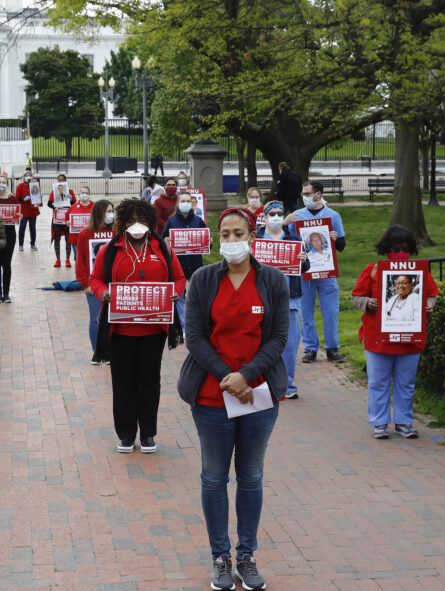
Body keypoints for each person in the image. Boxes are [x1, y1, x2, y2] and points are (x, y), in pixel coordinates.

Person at [178, 207, 288, 591]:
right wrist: (229, 377)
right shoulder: (204, 279)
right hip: (211, 396)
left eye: (238, 233)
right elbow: (194, 337)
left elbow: (277, 337)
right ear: (217, 238)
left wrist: (248, 375)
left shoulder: (273, 279)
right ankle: (220, 558)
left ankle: (246, 555)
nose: (231, 240)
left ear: (252, 236)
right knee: (213, 477)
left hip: (258, 394)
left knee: (251, 477)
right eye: (224, 234)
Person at [89, 199, 185, 454]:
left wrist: (175, 293)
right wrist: (103, 293)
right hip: (120, 329)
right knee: (123, 382)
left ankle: (148, 434)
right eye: (130, 221)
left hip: (154, 329)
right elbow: (95, 279)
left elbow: (178, 278)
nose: (136, 226)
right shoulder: (109, 250)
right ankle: (126, 434)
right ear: (122, 223)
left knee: (149, 381)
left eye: (141, 221)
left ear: (151, 222)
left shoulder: (162, 249)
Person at [351, 226, 439, 439]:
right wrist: (368, 303)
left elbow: (432, 295)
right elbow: (356, 297)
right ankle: (379, 423)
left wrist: (429, 304)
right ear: (386, 248)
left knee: (405, 383)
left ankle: (403, 422)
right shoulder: (372, 270)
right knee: (378, 382)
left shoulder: (420, 272)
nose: (400, 251)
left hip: (409, 340)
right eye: (395, 247)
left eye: (405, 247)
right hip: (378, 340)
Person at [284, 180, 346, 363]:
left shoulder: (333, 216)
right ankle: (310, 348)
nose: (304, 197)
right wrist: (285, 225)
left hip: (326, 273)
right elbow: (287, 242)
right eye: (303, 194)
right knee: (306, 313)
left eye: (308, 194)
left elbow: (342, 246)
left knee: (331, 313)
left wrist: (335, 239)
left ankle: (332, 348)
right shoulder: (296, 216)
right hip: (305, 274)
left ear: (318, 194)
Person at [256, 200, 309, 399]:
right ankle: (263, 383)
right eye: (272, 214)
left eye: (280, 213)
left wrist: (304, 261)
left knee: (289, 345)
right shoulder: (257, 238)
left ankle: (286, 385)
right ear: (265, 216)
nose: (276, 217)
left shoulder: (293, 238)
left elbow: (306, 268)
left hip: (289, 300)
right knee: (261, 343)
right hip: (261, 299)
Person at [162, 190, 208, 327]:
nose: (185, 204)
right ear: (178, 203)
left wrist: (208, 241)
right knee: (179, 296)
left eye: (188, 201)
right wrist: (166, 241)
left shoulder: (198, 220)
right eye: (183, 201)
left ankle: (197, 324)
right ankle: (181, 326)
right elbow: (162, 241)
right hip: (178, 264)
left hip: (195, 263)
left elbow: (206, 241)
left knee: (197, 296)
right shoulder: (171, 221)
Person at [75, 199, 115, 355]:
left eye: (112, 211)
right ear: (99, 213)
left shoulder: (117, 231)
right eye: (107, 211)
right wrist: (85, 284)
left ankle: (112, 351)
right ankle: (97, 351)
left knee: (113, 319)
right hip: (93, 285)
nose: (111, 214)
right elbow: (82, 261)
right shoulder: (85, 233)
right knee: (96, 319)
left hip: (114, 283)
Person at [0, 175, 17, 302]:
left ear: (7, 184)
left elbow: (18, 213)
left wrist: (19, 215)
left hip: (9, 232)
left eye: (3, 182)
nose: (1, 184)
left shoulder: (13, 198)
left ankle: (6, 293)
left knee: (7, 264)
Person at [47, 174, 75, 267]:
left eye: (63, 180)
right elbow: (49, 203)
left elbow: (74, 203)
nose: (61, 181)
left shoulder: (70, 191)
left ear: (66, 181)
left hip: (67, 219)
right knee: (57, 239)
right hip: (57, 219)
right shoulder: (54, 192)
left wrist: (70, 199)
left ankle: (67, 259)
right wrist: (55, 206)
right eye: (59, 180)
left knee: (68, 239)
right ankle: (58, 259)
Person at [65, 187, 94, 266]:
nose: (84, 194)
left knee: (90, 258)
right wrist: (67, 222)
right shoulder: (73, 207)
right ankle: (80, 276)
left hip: (90, 238)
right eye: (82, 193)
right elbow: (66, 218)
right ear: (79, 194)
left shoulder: (95, 207)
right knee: (78, 258)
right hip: (76, 239)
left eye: (86, 193)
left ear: (89, 194)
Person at [15, 170, 41, 251]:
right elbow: (17, 198)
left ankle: (32, 244)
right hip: (24, 211)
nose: (28, 177)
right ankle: (20, 244)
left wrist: (39, 197)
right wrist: (24, 199)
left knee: (32, 228)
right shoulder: (20, 186)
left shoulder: (34, 185)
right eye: (26, 175)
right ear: (23, 177)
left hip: (33, 210)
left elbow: (37, 195)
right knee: (22, 228)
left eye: (30, 175)